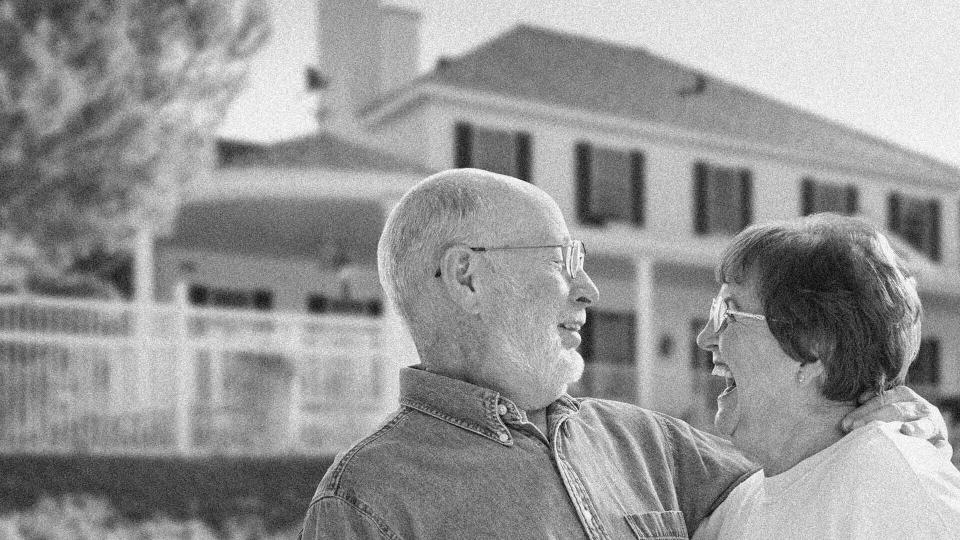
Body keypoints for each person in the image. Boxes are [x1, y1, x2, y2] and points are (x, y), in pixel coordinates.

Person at [299, 169, 948, 539]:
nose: (589, 288)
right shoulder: (366, 504)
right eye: (562, 261)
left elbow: (809, 467)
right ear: (468, 277)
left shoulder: (650, 445)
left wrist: (892, 415)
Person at [693, 214, 960, 539]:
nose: (704, 337)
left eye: (727, 313)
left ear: (813, 349)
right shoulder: (735, 507)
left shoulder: (899, 490)